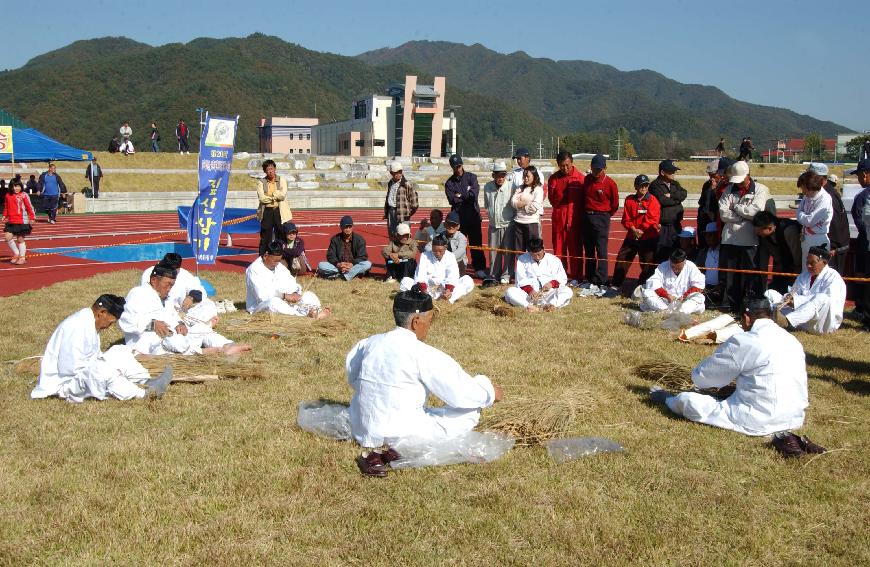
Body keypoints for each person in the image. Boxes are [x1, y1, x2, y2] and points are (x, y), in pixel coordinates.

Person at [346, 284, 502, 475]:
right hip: (403, 432)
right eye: (429, 320)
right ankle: (395, 450)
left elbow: (353, 379)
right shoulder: (422, 353)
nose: (429, 326)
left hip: (361, 426)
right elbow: (460, 395)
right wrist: (490, 392)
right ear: (416, 321)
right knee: (469, 412)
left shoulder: (367, 343)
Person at [649, 297, 808, 437]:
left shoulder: (744, 340)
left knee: (688, 400)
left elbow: (702, 378)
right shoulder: (792, 340)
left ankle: (669, 400)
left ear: (746, 318)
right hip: (794, 417)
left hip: (760, 420)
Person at [31, 294, 172, 402]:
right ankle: (144, 394)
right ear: (101, 313)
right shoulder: (76, 326)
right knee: (103, 370)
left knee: (120, 351)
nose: (109, 327)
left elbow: (93, 356)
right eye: (110, 322)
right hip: (65, 383)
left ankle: (146, 381)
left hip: (84, 371)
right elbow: (70, 369)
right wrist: (106, 368)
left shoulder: (89, 321)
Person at [718, 160, 769, 313]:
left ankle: (751, 308)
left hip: (749, 241)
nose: (738, 184)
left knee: (750, 276)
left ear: (748, 176)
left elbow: (756, 212)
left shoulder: (761, 189)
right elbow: (723, 214)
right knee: (731, 277)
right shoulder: (728, 190)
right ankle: (734, 308)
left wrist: (737, 208)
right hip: (730, 240)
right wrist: (743, 216)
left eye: (741, 181)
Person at [765, 246, 846, 334]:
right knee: (770, 293)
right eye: (807, 262)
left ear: (824, 262)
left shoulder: (833, 277)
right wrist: (789, 297)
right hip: (801, 319)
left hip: (820, 323)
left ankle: (787, 321)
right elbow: (794, 292)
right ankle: (771, 317)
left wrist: (796, 301)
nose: (808, 266)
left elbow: (827, 303)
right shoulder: (804, 275)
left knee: (822, 298)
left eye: (812, 263)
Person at [246, 241, 328, 318]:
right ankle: (305, 314)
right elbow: (262, 296)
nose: (277, 263)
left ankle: (315, 310)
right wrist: (284, 296)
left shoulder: (278, 266)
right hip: (260, 305)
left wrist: (295, 293)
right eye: (275, 261)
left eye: (279, 260)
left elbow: (290, 281)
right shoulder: (254, 269)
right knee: (274, 303)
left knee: (308, 294)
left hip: (285, 300)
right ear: (265, 256)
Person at [612, 175, 660, 291]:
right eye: (641, 185)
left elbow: (652, 218)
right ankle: (616, 284)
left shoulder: (653, 200)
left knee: (647, 262)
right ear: (635, 186)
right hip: (632, 236)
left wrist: (642, 230)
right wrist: (633, 229)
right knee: (622, 258)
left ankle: (643, 286)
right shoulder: (629, 200)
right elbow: (626, 218)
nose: (643, 188)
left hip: (648, 236)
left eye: (645, 185)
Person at [399, 234, 474, 304]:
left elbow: (453, 275)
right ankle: (427, 299)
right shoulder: (425, 256)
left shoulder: (450, 256)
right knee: (405, 281)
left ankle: (446, 298)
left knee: (467, 280)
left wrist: (448, 290)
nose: (437, 253)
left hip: (443, 289)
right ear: (432, 248)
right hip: (427, 289)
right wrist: (424, 291)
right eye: (435, 251)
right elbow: (420, 275)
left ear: (445, 247)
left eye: (440, 251)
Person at [580, 154, 619, 285]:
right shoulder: (587, 180)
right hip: (587, 216)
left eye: (599, 169)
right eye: (594, 169)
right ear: (590, 167)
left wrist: (605, 215)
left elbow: (614, 204)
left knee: (601, 249)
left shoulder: (610, 184)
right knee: (589, 248)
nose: (596, 172)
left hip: (601, 217)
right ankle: (590, 277)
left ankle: (602, 278)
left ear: (604, 168)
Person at [505, 237, 572, 312]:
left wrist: (552, 283)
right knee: (510, 291)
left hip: (549, 293)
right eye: (533, 255)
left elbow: (562, 278)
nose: (536, 257)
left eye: (539, 254)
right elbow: (521, 279)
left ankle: (551, 306)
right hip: (529, 296)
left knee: (567, 291)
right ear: (529, 252)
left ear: (543, 249)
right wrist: (530, 290)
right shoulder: (522, 259)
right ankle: (529, 306)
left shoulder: (554, 260)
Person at [445, 154, 485, 275]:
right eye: (455, 166)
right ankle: (459, 269)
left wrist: (460, 195)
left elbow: (473, 196)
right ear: (452, 167)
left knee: (476, 244)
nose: (458, 168)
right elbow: (452, 200)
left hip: (473, 217)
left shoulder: (472, 177)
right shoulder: (449, 183)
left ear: (462, 165)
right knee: (457, 245)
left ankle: (479, 269)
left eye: (459, 166)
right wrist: (465, 194)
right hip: (459, 219)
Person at [547, 151, 584, 283]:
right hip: (559, 217)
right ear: (558, 165)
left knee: (576, 249)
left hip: (574, 218)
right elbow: (552, 200)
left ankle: (577, 276)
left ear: (572, 162)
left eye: (567, 165)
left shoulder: (580, 178)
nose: (565, 168)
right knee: (558, 248)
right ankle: (560, 276)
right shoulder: (553, 179)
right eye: (562, 166)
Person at [807, 163, 849, 274]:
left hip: (831, 248)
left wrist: (834, 248)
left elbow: (834, 224)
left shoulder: (826, 195)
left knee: (828, 280)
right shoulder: (827, 192)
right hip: (832, 247)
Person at [639, 249, 706, 315]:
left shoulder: (691, 266)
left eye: (678, 267)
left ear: (685, 261)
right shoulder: (663, 266)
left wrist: (684, 296)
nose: (675, 269)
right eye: (673, 266)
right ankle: (666, 310)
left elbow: (699, 285)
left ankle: (681, 312)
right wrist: (667, 296)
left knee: (699, 297)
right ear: (669, 260)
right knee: (646, 292)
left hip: (685, 301)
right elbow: (653, 283)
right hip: (665, 301)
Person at [752, 211, 802, 294]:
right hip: (781, 264)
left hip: (795, 264)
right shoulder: (764, 236)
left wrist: (796, 271)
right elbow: (767, 259)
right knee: (775, 290)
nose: (757, 234)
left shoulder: (789, 230)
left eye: (759, 232)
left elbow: (797, 255)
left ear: (770, 228)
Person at [648, 159, 687, 262]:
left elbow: (684, 194)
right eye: (671, 171)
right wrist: (677, 200)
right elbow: (662, 201)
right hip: (663, 227)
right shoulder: (654, 185)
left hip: (676, 225)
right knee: (661, 255)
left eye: (674, 171)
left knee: (677, 255)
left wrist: (672, 196)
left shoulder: (675, 184)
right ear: (662, 172)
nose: (674, 173)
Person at [140, 252, 207, 312]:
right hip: (156, 309)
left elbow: (199, 290)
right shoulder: (149, 273)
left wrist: (191, 297)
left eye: (174, 271)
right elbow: (148, 295)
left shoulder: (184, 274)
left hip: (179, 312)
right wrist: (169, 307)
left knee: (208, 306)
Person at [483, 162, 515, 284]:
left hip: (508, 224)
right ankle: (494, 273)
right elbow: (487, 204)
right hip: (493, 225)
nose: (500, 178)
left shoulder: (511, 187)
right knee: (493, 252)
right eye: (498, 175)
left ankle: (506, 274)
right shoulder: (487, 187)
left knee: (508, 251)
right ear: (493, 175)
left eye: (503, 175)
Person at [795, 170, 832, 268]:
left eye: (804, 189)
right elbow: (798, 213)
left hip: (818, 239)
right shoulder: (807, 196)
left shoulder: (825, 198)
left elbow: (809, 221)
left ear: (810, 187)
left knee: (817, 270)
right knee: (805, 269)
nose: (802, 192)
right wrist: (802, 215)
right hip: (806, 238)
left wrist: (801, 215)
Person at [848, 159, 870, 327]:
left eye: (859, 176)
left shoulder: (863, 196)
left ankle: (864, 311)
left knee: (864, 277)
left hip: (866, 244)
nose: (859, 180)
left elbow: (861, 221)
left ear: (865, 174)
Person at [255, 159, 292, 255]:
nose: (270, 171)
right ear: (265, 171)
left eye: (271, 168)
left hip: (279, 211)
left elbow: (283, 195)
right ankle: (262, 258)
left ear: (275, 169)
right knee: (265, 237)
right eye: (267, 169)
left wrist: (271, 195)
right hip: (267, 212)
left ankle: (282, 257)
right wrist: (275, 197)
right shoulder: (261, 182)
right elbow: (262, 199)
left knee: (281, 235)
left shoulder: (282, 180)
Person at [318, 215, 371, 280]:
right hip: (340, 265)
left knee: (367, 264)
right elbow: (330, 255)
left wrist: (352, 264)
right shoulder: (335, 239)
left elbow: (363, 256)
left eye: (350, 226)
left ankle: (343, 276)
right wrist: (338, 264)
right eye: (346, 227)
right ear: (341, 227)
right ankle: (352, 274)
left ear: (352, 227)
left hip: (353, 265)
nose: (348, 229)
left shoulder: (359, 239)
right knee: (321, 265)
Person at [510, 165, 545, 255]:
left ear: (534, 176)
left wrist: (521, 205)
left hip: (531, 224)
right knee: (519, 252)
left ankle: (532, 269)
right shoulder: (520, 188)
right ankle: (520, 268)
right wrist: (525, 203)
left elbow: (533, 208)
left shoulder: (538, 190)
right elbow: (513, 202)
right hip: (518, 222)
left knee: (533, 251)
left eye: (528, 176)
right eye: (524, 176)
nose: (525, 178)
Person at [2, 179, 35, 265]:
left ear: (21, 186)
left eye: (18, 186)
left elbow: (29, 207)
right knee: (7, 237)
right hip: (11, 221)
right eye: (14, 186)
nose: (16, 188)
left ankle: (22, 257)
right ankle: (16, 253)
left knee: (20, 239)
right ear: (11, 187)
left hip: (21, 221)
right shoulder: (8, 195)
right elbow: (6, 207)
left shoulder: (24, 195)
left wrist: (32, 218)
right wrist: (4, 215)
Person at [384, 161, 418, 236]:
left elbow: (415, 203)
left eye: (400, 171)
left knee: (403, 236)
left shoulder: (407, 184)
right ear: (391, 173)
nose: (399, 173)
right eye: (397, 172)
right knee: (392, 235)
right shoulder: (390, 183)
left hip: (403, 214)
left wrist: (407, 213)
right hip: (391, 212)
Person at [695, 222, 724, 307]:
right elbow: (698, 271)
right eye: (706, 235)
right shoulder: (703, 252)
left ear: (718, 236)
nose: (707, 238)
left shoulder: (724, 253)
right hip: (706, 287)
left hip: (720, 288)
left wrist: (722, 284)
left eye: (710, 235)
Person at [696, 159, 721, 235]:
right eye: (709, 175)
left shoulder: (724, 186)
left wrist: (715, 190)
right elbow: (702, 201)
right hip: (703, 219)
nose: (711, 177)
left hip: (714, 219)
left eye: (713, 175)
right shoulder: (707, 184)